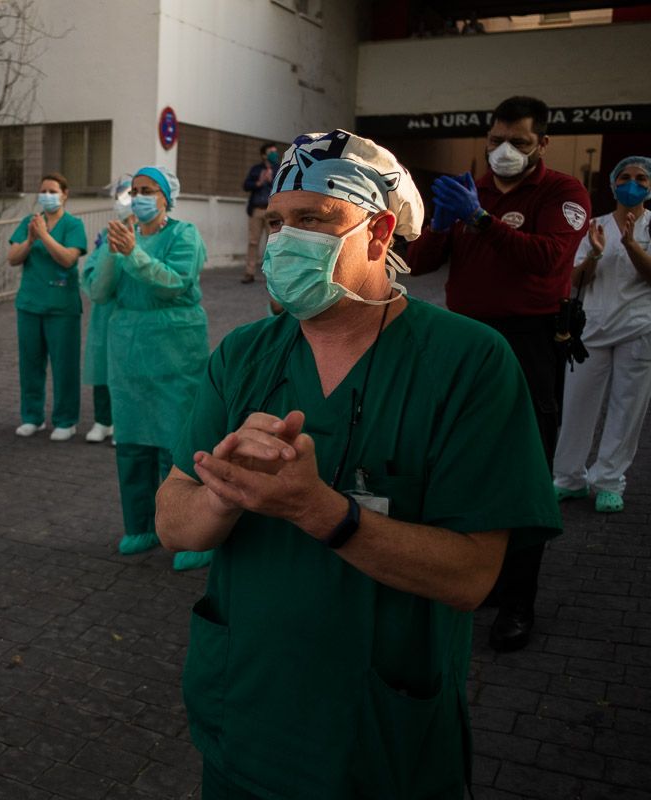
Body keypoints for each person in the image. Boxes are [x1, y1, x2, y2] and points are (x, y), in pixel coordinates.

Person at [157, 130, 561, 799]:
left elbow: (472, 576)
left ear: (377, 233)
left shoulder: (468, 364)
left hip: (380, 734)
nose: (285, 240)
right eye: (277, 222)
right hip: (246, 717)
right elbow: (174, 522)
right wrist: (222, 495)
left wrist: (320, 512)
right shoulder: (244, 357)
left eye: (313, 220)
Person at [408, 95, 590, 652]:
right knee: (464, 459)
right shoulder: (473, 189)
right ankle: (478, 576)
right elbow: (420, 266)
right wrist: (438, 227)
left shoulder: (563, 193)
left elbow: (547, 260)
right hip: (466, 341)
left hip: (531, 342)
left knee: (525, 464)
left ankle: (518, 600)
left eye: (518, 142)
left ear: (543, 144)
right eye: (495, 141)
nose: (503, 152)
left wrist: (481, 221)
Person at [82, 166, 211, 572]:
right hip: (129, 352)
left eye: (148, 190)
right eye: (134, 190)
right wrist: (113, 252)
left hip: (176, 349)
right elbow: (99, 291)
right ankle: (141, 526)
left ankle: (195, 534)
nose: (138, 197)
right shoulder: (121, 235)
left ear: (166, 198)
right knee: (134, 442)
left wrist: (132, 254)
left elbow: (174, 282)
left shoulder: (184, 235)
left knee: (178, 443)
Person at [553, 156, 651, 514]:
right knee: (577, 405)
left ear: (650, 186)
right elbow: (576, 280)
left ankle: (610, 481)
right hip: (592, 329)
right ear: (612, 184)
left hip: (638, 330)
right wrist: (594, 254)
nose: (632, 183)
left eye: (641, 178)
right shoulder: (594, 226)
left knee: (627, 408)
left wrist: (631, 244)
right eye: (624, 177)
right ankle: (568, 479)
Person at [7, 172, 89, 441]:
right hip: (30, 304)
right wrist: (30, 240)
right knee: (30, 364)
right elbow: (13, 257)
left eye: (53, 191)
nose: (47, 196)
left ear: (65, 194)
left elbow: (68, 258)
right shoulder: (29, 223)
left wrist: (43, 236)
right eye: (43, 191)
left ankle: (66, 420)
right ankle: (32, 417)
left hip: (61, 307)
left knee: (65, 365)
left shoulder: (73, 225)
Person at [82, 178, 133, 444]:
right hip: (105, 311)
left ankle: (124, 421)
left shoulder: (152, 234)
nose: (121, 201)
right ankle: (103, 420)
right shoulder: (107, 233)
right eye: (118, 196)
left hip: (132, 310)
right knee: (102, 365)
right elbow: (92, 268)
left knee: (127, 369)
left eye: (128, 195)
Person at [241, 142, 278, 284]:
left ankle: (273, 275)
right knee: (253, 242)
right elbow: (245, 185)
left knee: (273, 243)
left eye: (275, 151)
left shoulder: (279, 169)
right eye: (271, 152)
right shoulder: (256, 169)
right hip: (257, 209)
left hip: (272, 211)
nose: (274, 154)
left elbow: (283, 187)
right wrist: (259, 181)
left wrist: (271, 180)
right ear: (264, 155)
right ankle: (249, 273)